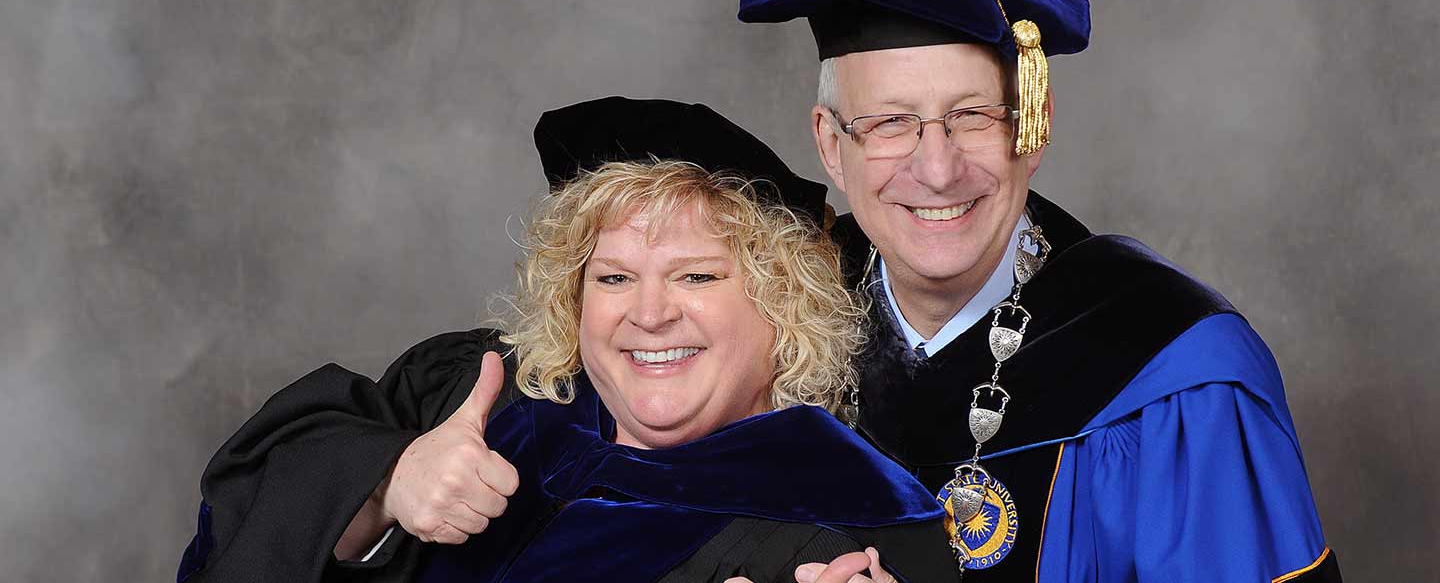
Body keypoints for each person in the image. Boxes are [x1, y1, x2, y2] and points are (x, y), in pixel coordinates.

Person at [175, 97, 959, 583]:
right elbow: (252, 500)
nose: (648, 315)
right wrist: (384, 484)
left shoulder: (847, 522)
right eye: (613, 279)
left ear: (785, 307)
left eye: (695, 278)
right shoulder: (476, 395)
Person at [736, 0, 1343, 581]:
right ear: (832, 146)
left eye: (973, 116)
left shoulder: (1174, 375)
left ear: (1032, 125)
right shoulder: (775, 320)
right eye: (891, 123)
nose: (939, 169)